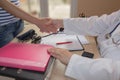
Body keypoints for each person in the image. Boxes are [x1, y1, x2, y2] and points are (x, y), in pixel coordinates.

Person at [48, 9, 120, 80]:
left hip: (101, 69)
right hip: (98, 56)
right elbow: (96, 24)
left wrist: (73, 61)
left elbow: (115, 72)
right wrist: (61, 23)